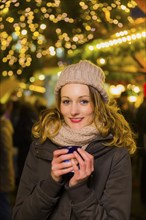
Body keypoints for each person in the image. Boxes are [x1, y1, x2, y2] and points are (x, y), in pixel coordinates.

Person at [12, 60, 136, 220]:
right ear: (59, 104)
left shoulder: (116, 154)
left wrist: (79, 190)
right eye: (66, 101)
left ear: (97, 104)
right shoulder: (40, 146)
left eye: (83, 101)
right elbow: (20, 216)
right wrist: (52, 183)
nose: (73, 111)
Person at [0, 103, 15, 220]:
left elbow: (5, 155)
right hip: (4, 173)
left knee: (4, 205)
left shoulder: (3, 129)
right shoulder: (4, 127)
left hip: (2, 174)